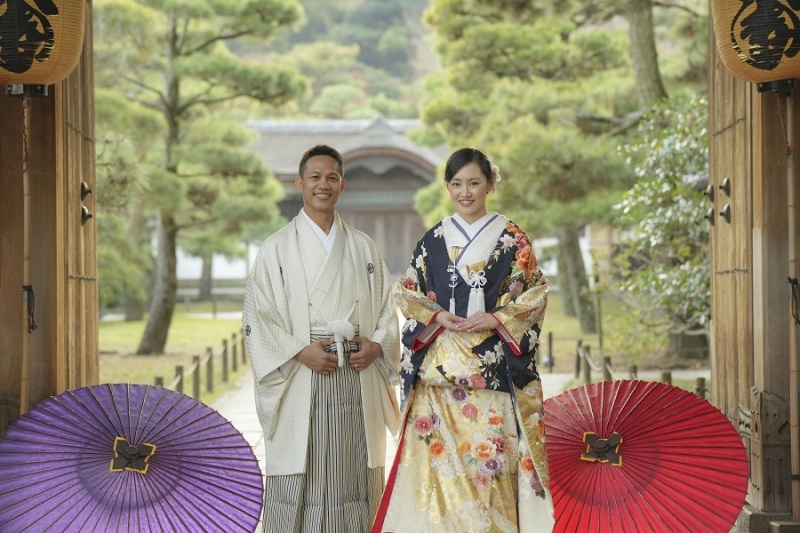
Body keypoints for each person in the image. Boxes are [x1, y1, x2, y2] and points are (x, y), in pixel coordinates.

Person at [372, 147, 555, 532]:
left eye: (474, 183)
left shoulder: (512, 239)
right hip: (437, 378)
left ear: (490, 183)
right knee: (438, 473)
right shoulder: (433, 238)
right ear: (447, 187)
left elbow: (535, 294)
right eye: (456, 184)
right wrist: (437, 315)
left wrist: (497, 316)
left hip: (492, 378)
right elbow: (406, 291)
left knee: (490, 468)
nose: (465, 192)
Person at [242, 144, 401, 532]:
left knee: (353, 467)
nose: (323, 185)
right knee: (305, 465)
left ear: (342, 186)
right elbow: (257, 316)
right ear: (300, 183)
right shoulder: (276, 249)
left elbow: (385, 307)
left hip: (356, 375)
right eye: (315, 177)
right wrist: (299, 351)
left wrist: (377, 343)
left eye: (331, 177)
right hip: (303, 372)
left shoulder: (362, 246)